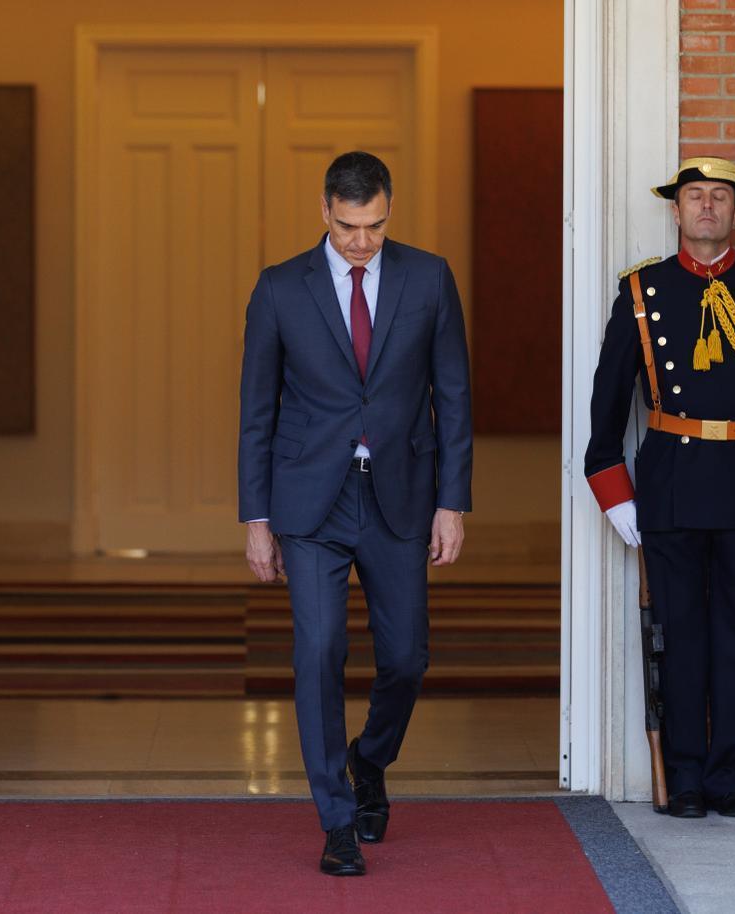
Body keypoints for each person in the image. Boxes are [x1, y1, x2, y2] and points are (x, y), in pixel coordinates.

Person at [238, 151, 472, 875]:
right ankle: (336, 819)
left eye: (373, 225)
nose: (361, 241)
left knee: (406, 658)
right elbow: (256, 412)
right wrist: (255, 517)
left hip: (400, 496)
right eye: (348, 227)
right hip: (310, 501)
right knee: (318, 653)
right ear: (324, 211)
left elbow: (454, 398)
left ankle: (370, 761)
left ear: (388, 209)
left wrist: (452, 501)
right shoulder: (280, 289)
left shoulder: (429, 278)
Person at [585, 156, 735, 819]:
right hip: (672, 483)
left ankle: (727, 780)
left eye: (719, 196)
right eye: (695, 195)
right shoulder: (642, 291)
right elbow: (608, 404)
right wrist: (613, 488)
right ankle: (685, 779)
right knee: (680, 634)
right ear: (676, 209)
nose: (707, 206)